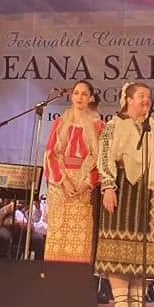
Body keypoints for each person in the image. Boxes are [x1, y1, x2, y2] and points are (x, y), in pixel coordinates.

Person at [96, 82, 154, 307]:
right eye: (141, 96)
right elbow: (105, 155)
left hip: (148, 194)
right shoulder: (114, 124)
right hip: (122, 189)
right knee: (117, 248)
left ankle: (138, 304)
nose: (146, 100)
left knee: (143, 250)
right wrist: (108, 186)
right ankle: (121, 306)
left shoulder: (153, 128)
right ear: (128, 100)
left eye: (148, 96)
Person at [44, 80, 105, 263]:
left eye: (84, 94)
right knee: (57, 237)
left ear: (91, 98)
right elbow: (51, 153)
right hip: (61, 186)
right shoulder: (60, 123)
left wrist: (88, 182)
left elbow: (102, 158)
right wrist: (63, 180)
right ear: (71, 96)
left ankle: (78, 278)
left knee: (80, 239)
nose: (79, 97)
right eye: (76, 93)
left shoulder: (98, 126)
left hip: (83, 185)